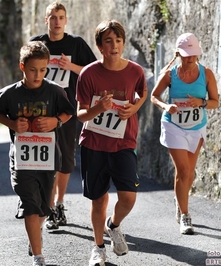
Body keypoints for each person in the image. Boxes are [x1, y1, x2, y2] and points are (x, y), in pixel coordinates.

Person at [0, 41, 74, 266]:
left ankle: (34, 234)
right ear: (22, 67)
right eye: (32, 70)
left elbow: (68, 112)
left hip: (47, 160)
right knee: (29, 204)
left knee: (44, 208)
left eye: (43, 70)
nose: (38, 75)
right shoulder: (10, 93)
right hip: (22, 160)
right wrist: (12, 123)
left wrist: (55, 121)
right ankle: (38, 257)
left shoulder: (55, 91)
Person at [76, 20, 147, 266]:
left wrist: (134, 107)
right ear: (100, 46)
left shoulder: (135, 71)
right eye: (108, 41)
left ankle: (113, 225)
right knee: (99, 199)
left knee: (128, 197)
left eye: (118, 40)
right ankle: (97, 248)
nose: (114, 45)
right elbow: (81, 114)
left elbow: (142, 93)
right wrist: (99, 107)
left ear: (123, 43)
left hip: (124, 142)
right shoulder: (89, 73)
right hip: (94, 144)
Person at [29, 1, 97, 230]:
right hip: (41, 111)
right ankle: (48, 209)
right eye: (52, 17)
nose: (57, 21)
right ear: (46, 20)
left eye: (61, 17)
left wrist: (72, 66)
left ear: (66, 20)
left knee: (66, 160)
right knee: (46, 161)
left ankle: (59, 205)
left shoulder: (76, 44)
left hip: (67, 110)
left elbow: (94, 70)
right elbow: (26, 75)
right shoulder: (37, 45)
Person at [150, 33, 219, 235]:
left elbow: (215, 102)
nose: (190, 59)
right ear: (178, 54)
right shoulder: (170, 75)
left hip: (196, 127)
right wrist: (166, 105)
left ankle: (179, 199)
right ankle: (185, 216)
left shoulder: (207, 74)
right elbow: (154, 96)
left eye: (193, 55)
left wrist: (202, 103)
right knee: (183, 170)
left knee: (189, 172)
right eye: (186, 55)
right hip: (173, 126)